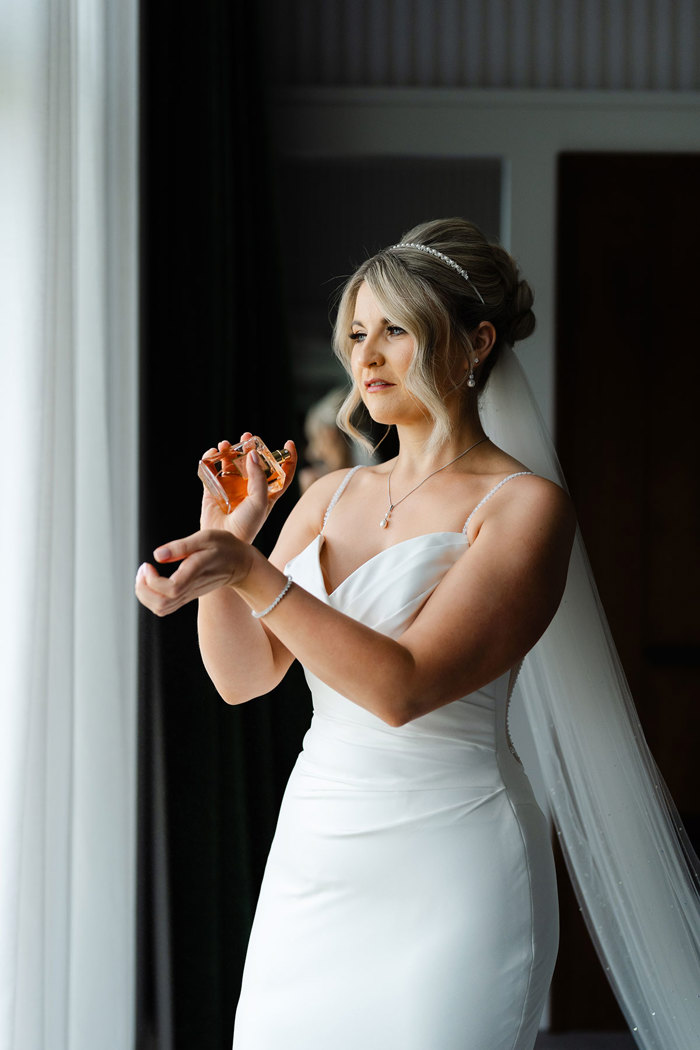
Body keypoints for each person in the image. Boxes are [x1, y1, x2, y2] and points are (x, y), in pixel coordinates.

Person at [136, 218, 700, 1050]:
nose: (365, 358)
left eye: (395, 331)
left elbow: (403, 688)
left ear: (475, 343)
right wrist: (231, 542)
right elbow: (242, 676)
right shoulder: (330, 498)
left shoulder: (523, 508)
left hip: (454, 863)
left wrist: (249, 572)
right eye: (358, 332)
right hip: (315, 854)